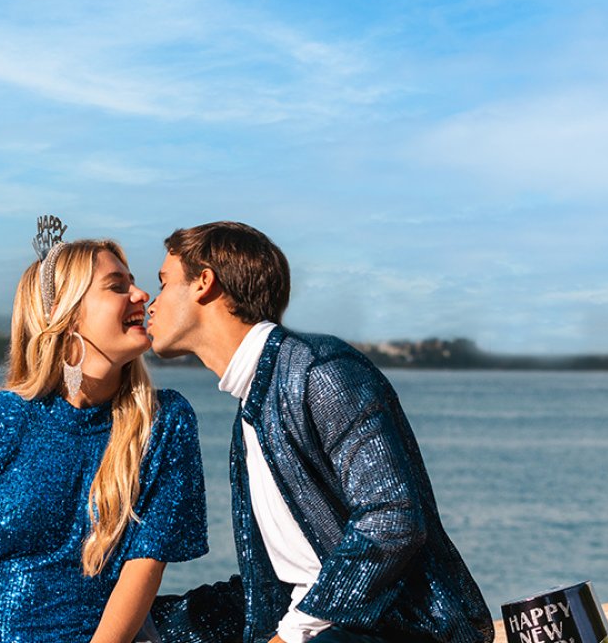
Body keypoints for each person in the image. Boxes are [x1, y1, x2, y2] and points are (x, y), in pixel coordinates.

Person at [146, 222, 493, 643]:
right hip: (319, 621)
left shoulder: (319, 371)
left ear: (204, 282)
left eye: (163, 284)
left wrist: (291, 634)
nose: (151, 301)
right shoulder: (252, 406)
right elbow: (286, 575)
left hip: (399, 629)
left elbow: (393, 518)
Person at [0, 231, 209, 643]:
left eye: (135, 282)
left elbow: (145, 565)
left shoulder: (163, 422)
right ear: (67, 315)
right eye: (118, 286)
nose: (143, 295)